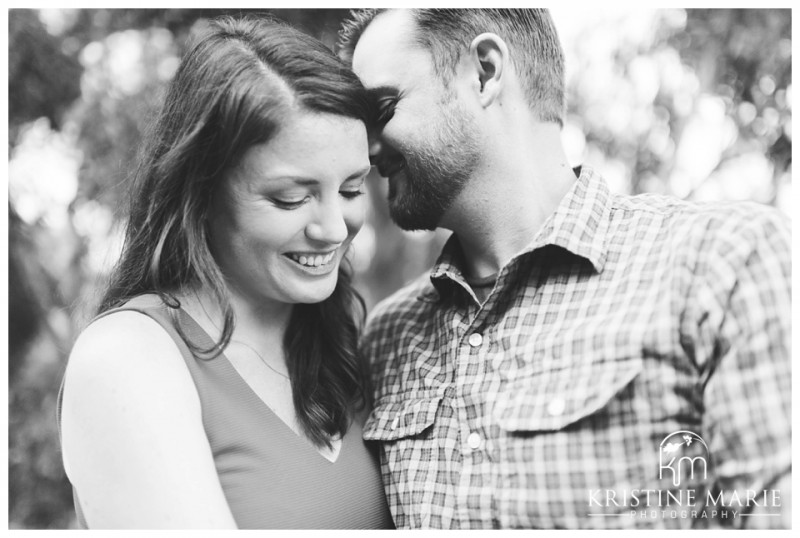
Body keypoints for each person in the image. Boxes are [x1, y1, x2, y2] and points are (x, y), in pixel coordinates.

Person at [338, 8, 791, 530]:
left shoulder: (725, 262)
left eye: (383, 107)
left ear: (484, 71)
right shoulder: (385, 337)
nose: (368, 149)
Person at [58, 16, 393, 529]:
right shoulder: (127, 358)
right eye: (292, 198)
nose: (333, 229)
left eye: (351, 189)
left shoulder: (341, 339)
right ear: (203, 195)